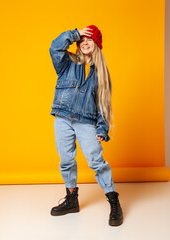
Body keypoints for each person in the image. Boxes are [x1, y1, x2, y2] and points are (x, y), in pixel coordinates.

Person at [48, 25, 123, 226]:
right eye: (82, 40)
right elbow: (54, 47)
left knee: (96, 162)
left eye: (89, 39)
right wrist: (74, 34)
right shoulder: (66, 63)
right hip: (63, 118)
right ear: (78, 43)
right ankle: (71, 199)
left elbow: (103, 105)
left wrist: (101, 128)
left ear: (96, 44)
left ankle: (114, 201)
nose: (85, 42)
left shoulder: (100, 74)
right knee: (66, 161)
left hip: (86, 121)